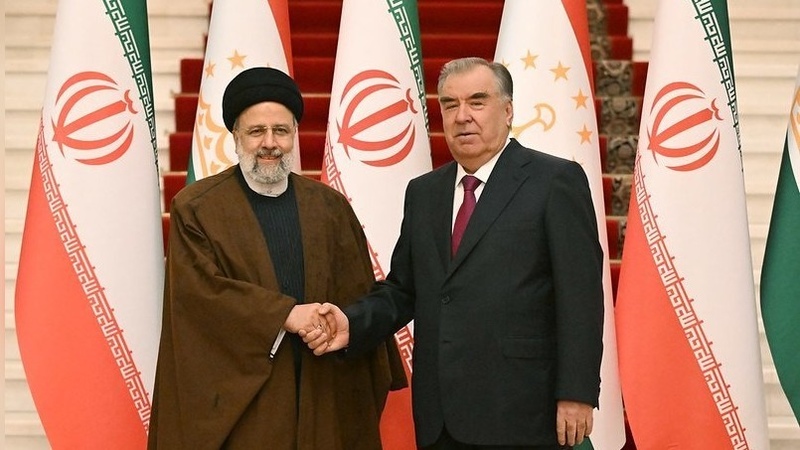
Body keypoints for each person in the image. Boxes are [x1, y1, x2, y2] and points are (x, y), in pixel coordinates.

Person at [302, 57, 604, 449]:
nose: (462, 116)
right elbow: (404, 290)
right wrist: (351, 323)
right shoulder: (424, 192)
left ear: (508, 110)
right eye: (450, 104)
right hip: (440, 415)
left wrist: (577, 392)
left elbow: (580, 296)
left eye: (477, 101)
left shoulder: (554, 181)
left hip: (523, 410)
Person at [148, 66, 407, 450]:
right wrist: (285, 315)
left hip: (323, 394)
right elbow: (199, 299)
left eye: (281, 131)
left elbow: (358, 293)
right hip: (245, 411)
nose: (270, 143)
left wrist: (337, 322)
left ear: (295, 134)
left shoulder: (330, 207)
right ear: (235, 136)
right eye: (256, 131)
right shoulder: (197, 208)